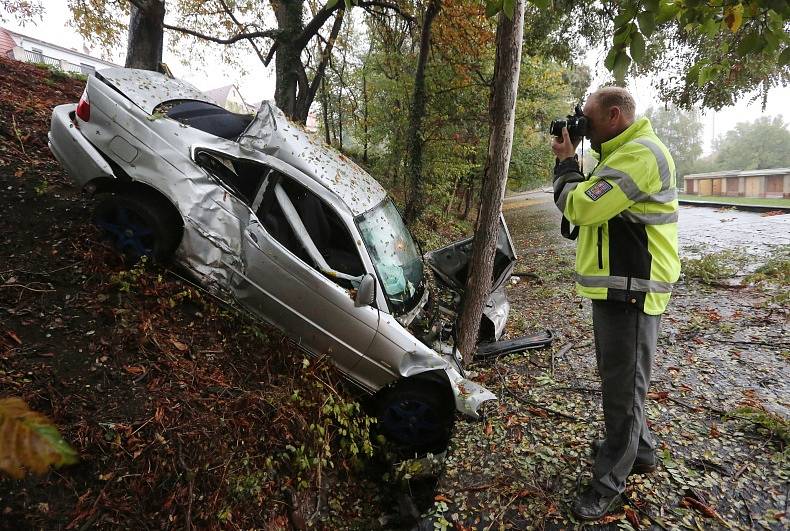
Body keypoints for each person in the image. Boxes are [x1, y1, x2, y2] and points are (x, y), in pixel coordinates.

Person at [550, 87, 680, 520]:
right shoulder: (619, 153)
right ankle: (638, 451)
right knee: (619, 383)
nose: (581, 126)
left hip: (633, 289)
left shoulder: (640, 155)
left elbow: (582, 209)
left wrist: (566, 165)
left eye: (587, 119)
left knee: (623, 393)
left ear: (614, 115)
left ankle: (609, 483)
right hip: (617, 288)